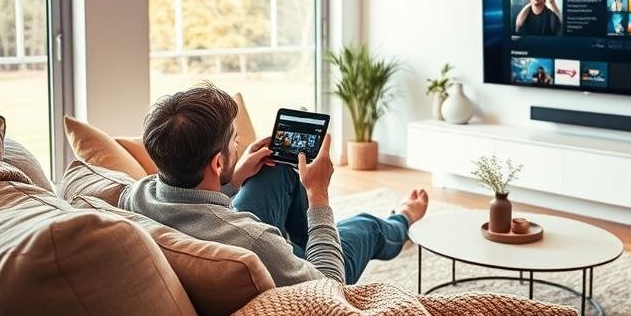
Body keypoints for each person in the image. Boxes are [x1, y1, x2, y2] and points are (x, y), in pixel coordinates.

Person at [119, 84, 428, 287]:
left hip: (215, 221)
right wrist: (318, 194)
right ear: (215, 162)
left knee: (276, 166)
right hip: (305, 273)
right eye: (233, 140)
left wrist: (235, 178)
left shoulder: (136, 194)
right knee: (365, 227)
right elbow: (330, 290)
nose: (238, 143)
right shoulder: (254, 240)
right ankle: (402, 221)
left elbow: (193, 201)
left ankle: (313, 240)